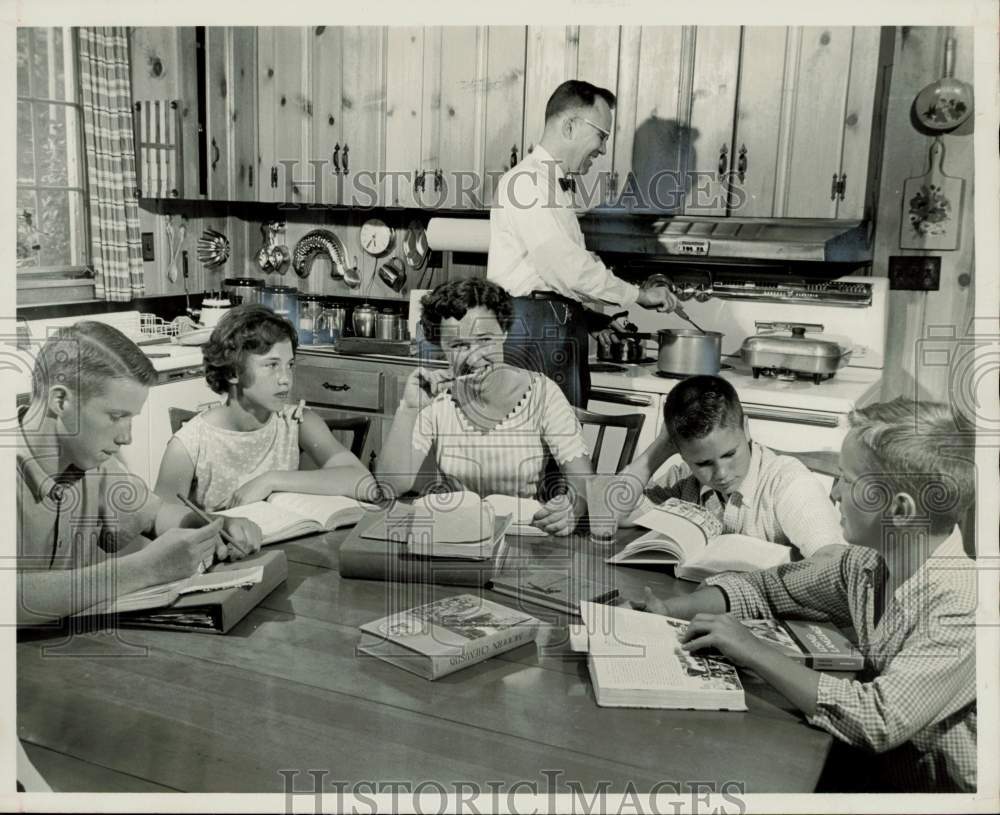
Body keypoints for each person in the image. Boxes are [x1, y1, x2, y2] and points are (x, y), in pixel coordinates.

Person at [641, 398, 977, 793]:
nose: (833, 492)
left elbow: (875, 719)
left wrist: (752, 649)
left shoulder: (964, 604)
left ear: (900, 511)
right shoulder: (866, 564)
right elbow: (768, 587)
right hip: (879, 772)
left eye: (847, 480)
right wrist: (669, 610)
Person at [16, 321, 262, 625]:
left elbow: (155, 514)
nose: (126, 438)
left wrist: (213, 524)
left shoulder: (93, 464)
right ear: (60, 400)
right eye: (117, 417)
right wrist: (145, 569)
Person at [487, 79, 677, 407]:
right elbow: (565, 267)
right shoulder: (527, 183)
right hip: (534, 335)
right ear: (571, 126)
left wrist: (590, 319)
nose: (603, 149)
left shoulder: (551, 185)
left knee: (564, 445)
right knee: (540, 449)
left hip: (548, 331)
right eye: (602, 135)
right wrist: (638, 295)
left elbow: (543, 277)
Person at [379, 279, 593, 536]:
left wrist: (573, 506)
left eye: (484, 340)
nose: (474, 357)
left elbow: (583, 481)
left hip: (522, 536)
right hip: (454, 534)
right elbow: (390, 486)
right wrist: (409, 408)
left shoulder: (542, 393)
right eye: (458, 346)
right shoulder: (435, 396)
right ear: (443, 348)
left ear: (503, 332)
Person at [155, 304, 374, 512]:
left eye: (290, 365)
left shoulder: (296, 422)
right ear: (233, 372)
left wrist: (271, 480)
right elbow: (161, 525)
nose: (285, 379)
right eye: (271, 365)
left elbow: (363, 482)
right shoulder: (189, 444)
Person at [622, 374, 847, 559]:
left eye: (730, 454)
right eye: (703, 463)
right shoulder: (684, 481)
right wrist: (656, 451)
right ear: (682, 454)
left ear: (746, 428)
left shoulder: (787, 482)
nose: (721, 474)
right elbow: (606, 518)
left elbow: (832, 560)